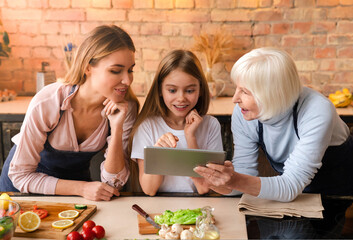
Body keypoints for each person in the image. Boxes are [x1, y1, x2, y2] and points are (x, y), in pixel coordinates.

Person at [194, 47, 353, 202]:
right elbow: (244, 175)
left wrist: (234, 180)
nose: (235, 99)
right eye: (237, 88)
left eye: (245, 91)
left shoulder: (317, 110)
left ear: (271, 95)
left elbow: (290, 186)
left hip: (344, 188)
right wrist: (219, 182)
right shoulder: (244, 112)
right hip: (295, 190)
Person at [0, 25, 139, 201]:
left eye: (130, 70)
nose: (127, 80)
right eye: (116, 70)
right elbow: (21, 176)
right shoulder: (49, 102)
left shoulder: (126, 108)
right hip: (22, 192)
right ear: (87, 67)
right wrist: (81, 188)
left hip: (75, 195)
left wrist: (117, 127)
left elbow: (114, 183)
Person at [130, 50, 223, 196]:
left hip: (198, 208)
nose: (181, 98)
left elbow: (205, 188)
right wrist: (159, 154)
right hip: (162, 211)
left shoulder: (211, 125)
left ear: (201, 90)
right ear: (160, 90)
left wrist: (190, 137)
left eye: (190, 90)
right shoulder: (147, 126)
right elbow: (149, 189)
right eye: (172, 90)